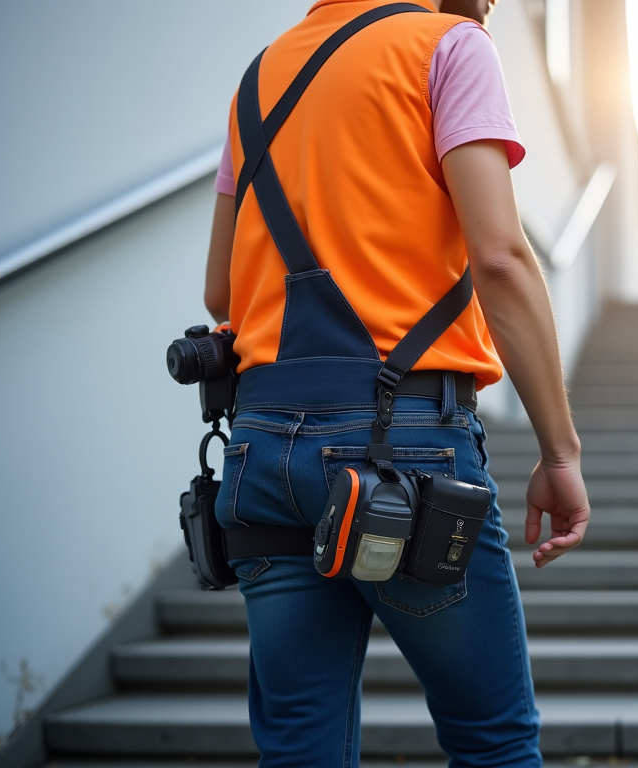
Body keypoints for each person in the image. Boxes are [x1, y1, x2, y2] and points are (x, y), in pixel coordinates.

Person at [201, 0, 590, 765]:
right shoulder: (449, 47)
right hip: (405, 451)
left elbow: (221, 293)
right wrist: (560, 453)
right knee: (494, 742)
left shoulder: (258, 78)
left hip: (263, 454)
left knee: (300, 748)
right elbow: (501, 259)